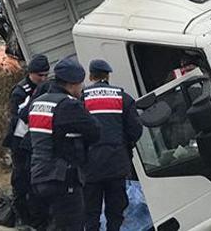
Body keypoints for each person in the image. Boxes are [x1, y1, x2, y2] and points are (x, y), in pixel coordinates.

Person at [29, 57, 100, 231]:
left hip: (38, 174)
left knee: (51, 225)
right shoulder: (68, 105)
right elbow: (95, 131)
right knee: (71, 225)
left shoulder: (39, 102)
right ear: (72, 84)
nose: (81, 88)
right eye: (80, 84)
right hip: (62, 177)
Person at [82, 59, 143, 231]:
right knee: (115, 210)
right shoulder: (122, 97)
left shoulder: (82, 98)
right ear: (108, 76)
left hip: (90, 166)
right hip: (117, 163)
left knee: (91, 211)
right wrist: (124, 145)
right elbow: (136, 130)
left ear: (90, 76)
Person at [2, 54, 50, 229]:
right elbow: (18, 117)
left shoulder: (46, 87)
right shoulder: (20, 92)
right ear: (31, 73)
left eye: (46, 75)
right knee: (21, 181)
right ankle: (21, 217)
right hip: (20, 142)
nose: (43, 79)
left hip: (36, 142)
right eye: (40, 75)